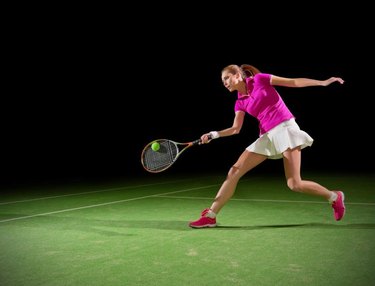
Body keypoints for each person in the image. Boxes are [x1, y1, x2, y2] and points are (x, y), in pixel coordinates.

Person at [189, 64, 346, 228]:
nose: (225, 83)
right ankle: (211, 215)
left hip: (285, 128)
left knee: (294, 184)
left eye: (226, 78)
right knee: (234, 171)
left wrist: (322, 82)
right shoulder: (239, 102)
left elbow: (293, 82)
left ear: (237, 75)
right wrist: (214, 134)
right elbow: (235, 129)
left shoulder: (259, 79)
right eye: (223, 81)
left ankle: (334, 197)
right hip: (267, 136)